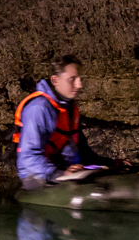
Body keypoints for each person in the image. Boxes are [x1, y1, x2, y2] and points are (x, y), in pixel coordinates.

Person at [13, 54, 124, 190]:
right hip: (37, 178)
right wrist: (59, 174)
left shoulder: (69, 108)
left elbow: (82, 151)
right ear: (55, 80)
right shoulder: (39, 108)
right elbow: (28, 156)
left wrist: (112, 163)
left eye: (79, 79)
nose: (79, 84)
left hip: (63, 171)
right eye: (72, 79)